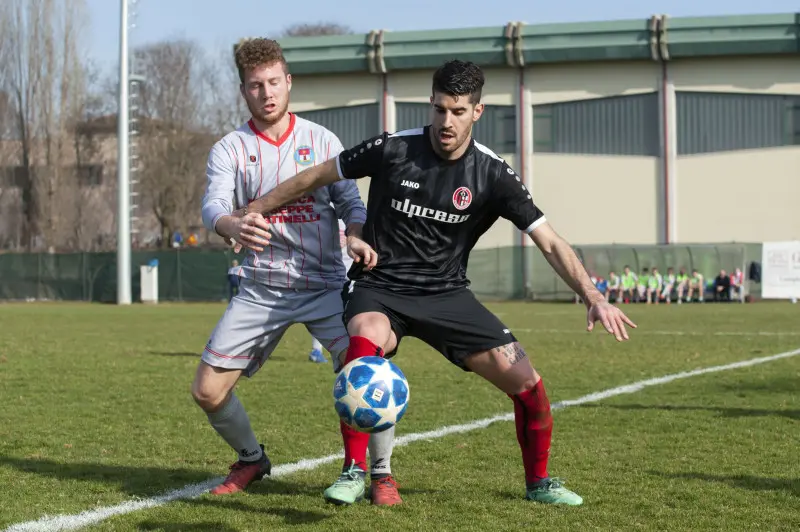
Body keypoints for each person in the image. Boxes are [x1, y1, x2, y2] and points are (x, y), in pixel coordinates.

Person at [232, 59, 636, 506]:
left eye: (458, 111)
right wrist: (256, 208)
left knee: (529, 385)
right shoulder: (394, 149)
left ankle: (539, 482)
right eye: (440, 109)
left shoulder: (492, 174)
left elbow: (550, 241)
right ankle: (353, 470)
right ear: (431, 104)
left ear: (476, 112)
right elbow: (315, 176)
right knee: (364, 345)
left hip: (447, 295)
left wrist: (593, 295)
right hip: (379, 287)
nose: (447, 121)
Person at [194, 37, 397, 504]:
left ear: (288, 82)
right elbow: (214, 207)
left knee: (369, 372)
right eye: (254, 86)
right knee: (207, 390)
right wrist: (232, 224)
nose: (266, 93)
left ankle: (380, 474)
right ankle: (251, 458)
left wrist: (354, 234)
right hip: (262, 288)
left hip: (326, 284)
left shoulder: (321, 141)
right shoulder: (231, 148)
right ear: (243, 91)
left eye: (273, 82)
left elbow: (351, 202)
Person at [309, 219, 354, 364]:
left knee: (349, 317)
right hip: (328, 277)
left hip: (350, 278)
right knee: (323, 315)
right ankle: (317, 350)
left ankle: (351, 351)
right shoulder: (325, 218)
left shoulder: (354, 219)